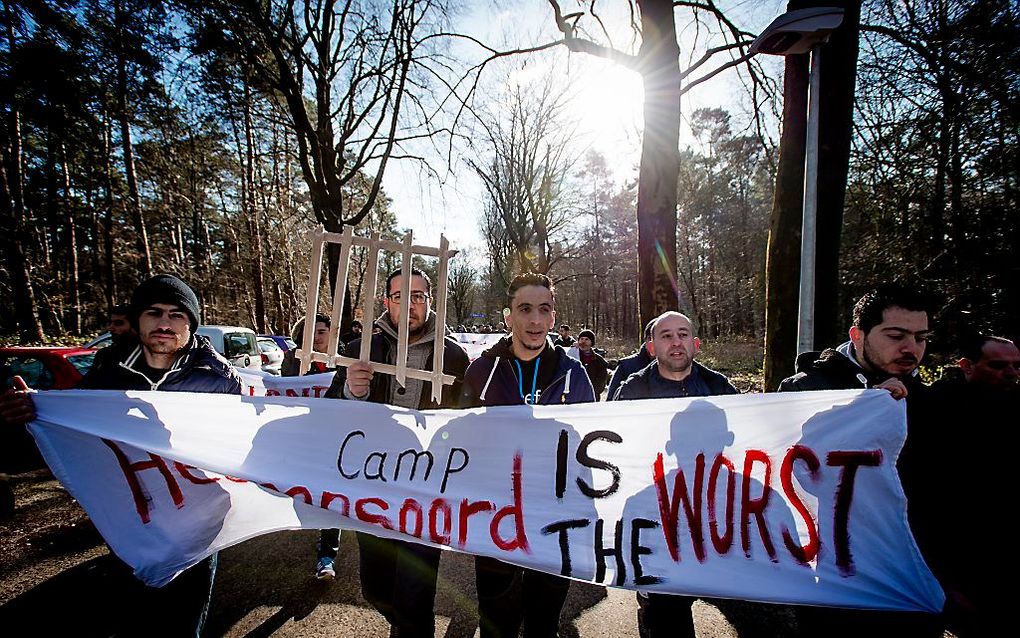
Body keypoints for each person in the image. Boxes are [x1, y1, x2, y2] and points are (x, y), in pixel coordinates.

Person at [0, 273, 242, 636]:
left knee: (183, 622)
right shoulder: (108, 367)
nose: (164, 323)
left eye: (177, 315)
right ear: (137, 320)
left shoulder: (219, 378)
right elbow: (78, 425)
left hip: (198, 524)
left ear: (191, 323)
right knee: (136, 618)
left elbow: (237, 444)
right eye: (154, 313)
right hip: (132, 519)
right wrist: (31, 411)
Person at [778, 283, 942, 636]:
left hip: (907, 579)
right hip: (830, 578)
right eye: (896, 335)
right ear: (857, 334)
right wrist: (864, 410)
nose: (910, 348)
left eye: (921, 338)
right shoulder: (804, 390)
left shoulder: (932, 403)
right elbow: (785, 466)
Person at [324, 267, 469, 638]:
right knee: (376, 588)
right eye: (401, 296)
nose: (410, 305)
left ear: (430, 302)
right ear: (387, 301)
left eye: (418, 296)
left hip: (424, 495)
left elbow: (470, 422)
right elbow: (327, 416)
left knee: (415, 597)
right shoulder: (360, 350)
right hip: (373, 492)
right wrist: (351, 393)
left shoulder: (452, 357)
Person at [460, 272, 595, 638]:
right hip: (493, 521)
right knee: (496, 624)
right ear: (509, 317)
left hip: (553, 522)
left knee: (543, 624)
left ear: (553, 317)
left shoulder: (573, 374)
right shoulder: (481, 372)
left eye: (543, 310)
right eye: (525, 309)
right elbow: (459, 445)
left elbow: (591, 451)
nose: (535, 320)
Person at [614, 311, 737, 637]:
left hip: (713, 521)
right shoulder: (632, 390)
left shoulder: (719, 387)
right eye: (666, 335)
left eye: (682, 334)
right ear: (652, 347)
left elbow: (750, 440)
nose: (676, 342)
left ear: (695, 343)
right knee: (666, 617)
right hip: (659, 520)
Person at [921, 333, 1017, 635]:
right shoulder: (937, 407)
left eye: (1016, 366)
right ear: (967, 366)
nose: (1011, 373)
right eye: (999, 366)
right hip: (957, 546)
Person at [279, 312, 338, 578]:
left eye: (322, 331)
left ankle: (327, 555)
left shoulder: (343, 360)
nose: (316, 337)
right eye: (311, 331)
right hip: (305, 440)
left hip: (337, 440)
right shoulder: (294, 361)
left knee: (330, 496)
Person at [606, 319, 656, 400]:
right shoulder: (626, 366)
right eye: (651, 338)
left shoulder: (679, 368)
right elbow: (611, 400)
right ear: (646, 340)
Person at [281, 313, 332, 377]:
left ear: (331, 332)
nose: (316, 337)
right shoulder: (293, 357)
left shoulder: (343, 356)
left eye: (321, 332)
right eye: (312, 333)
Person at [576, 329, 610, 398]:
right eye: (581, 339)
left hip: (592, 397)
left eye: (586, 339)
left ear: (592, 342)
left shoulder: (600, 362)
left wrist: (590, 391)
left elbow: (601, 383)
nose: (583, 342)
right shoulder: (574, 356)